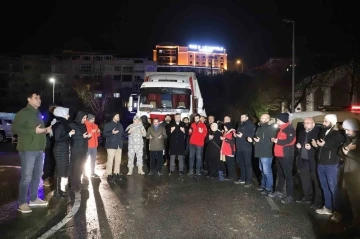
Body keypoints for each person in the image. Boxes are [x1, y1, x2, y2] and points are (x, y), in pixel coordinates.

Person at [12, 91, 51, 213]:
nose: (39, 100)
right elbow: (15, 129)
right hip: (28, 149)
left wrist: (45, 130)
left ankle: (34, 199)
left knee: (37, 176)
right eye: (36, 98)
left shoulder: (38, 113)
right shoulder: (23, 113)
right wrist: (33, 130)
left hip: (39, 149)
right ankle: (22, 203)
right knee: (26, 177)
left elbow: (37, 130)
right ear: (29, 99)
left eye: (39, 98)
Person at [311, 114, 345, 221]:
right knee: (324, 186)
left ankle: (337, 211)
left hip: (331, 164)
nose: (323, 123)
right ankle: (328, 207)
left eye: (325, 121)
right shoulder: (323, 132)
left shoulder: (338, 134)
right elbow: (323, 147)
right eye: (324, 121)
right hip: (321, 163)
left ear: (332, 122)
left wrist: (324, 145)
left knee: (333, 188)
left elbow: (337, 147)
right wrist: (317, 146)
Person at [295, 117, 323, 208]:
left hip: (314, 159)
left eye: (308, 123)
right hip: (303, 158)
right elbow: (299, 141)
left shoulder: (318, 132)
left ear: (313, 124)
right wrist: (298, 145)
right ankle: (307, 196)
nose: (305, 125)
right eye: (304, 123)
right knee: (304, 178)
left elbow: (321, 147)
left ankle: (317, 200)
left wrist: (312, 147)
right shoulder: (302, 132)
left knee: (316, 180)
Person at [269, 113, 296, 204]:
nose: (277, 121)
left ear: (283, 120)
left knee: (288, 175)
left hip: (286, 155)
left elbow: (291, 141)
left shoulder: (289, 128)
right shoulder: (281, 129)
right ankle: (279, 191)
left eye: (278, 120)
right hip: (279, 155)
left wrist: (278, 141)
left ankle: (290, 195)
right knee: (280, 174)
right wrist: (275, 140)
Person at [247, 114, 277, 194]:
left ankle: (269, 188)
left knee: (267, 171)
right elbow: (258, 138)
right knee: (262, 170)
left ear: (268, 119)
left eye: (264, 118)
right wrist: (253, 140)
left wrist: (259, 141)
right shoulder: (260, 127)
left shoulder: (270, 127)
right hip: (260, 151)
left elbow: (271, 140)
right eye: (261, 117)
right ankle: (263, 186)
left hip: (266, 152)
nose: (261, 119)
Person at [340, 118, 360, 227]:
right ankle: (351, 223)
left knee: (356, 202)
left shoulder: (358, 141)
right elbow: (341, 151)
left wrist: (348, 152)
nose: (346, 132)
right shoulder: (350, 139)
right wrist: (346, 149)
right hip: (348, 174)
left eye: (348, 130)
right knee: (349, 201)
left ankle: (356, 227)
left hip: (355, 176)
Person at [50, 107, 75, 197]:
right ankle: (57, 191)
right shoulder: (60, 124)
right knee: (60, 170)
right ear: (62, 114)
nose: (68, 115)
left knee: (59, 170)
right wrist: (69, 134)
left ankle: (58, 190)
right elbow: (57, 138)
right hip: (60, 150)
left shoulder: (63, 123)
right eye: (67, 113)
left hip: (63, 149)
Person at [68, 111, 91, 191]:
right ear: (79, 117)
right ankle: (73, 184)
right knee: (75, 167)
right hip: (76, 149)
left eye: (85, 118)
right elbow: (72, 137)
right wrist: (82, 136)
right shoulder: (72, 125)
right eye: (83, 118)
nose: (85, 120)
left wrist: (88, 136)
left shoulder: (83, 125)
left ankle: (78, 183)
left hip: (84, 149)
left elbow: (85, 135)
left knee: (81, 167)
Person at [234, 114, 256, 187]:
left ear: (247, 117)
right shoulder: (240, 125)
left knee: (247, 164)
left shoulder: (250, 125)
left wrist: (243, 136)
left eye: (243, 117)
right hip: (239, 147)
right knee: (241, 164)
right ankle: (242, 178)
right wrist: (236, 135)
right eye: (241, 117)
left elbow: (252, 134)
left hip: (246, 147)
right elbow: (240, 134)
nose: (241, 118)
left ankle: (249, 180)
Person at [103, 113, 124, 182]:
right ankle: (109, 174)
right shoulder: (108, 125)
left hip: (119, 145)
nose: (118, 117)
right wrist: (112, 133)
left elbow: (122, 134)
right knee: (110, 161)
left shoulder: (120, 125)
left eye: (118, 116)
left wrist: (128, 132)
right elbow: (104, 134)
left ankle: (116, 173)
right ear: (113, 117)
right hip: (111, 145)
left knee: (118, 161)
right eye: (116, 116)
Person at [42, 104, 57, 187]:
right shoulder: (48, 118)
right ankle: (46, 177)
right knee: (48, 161)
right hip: (49, 144)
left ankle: (52, 176)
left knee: (54, 161)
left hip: (56, 144)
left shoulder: (57, 118)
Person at [85, 114, 101, 178]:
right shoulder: (85, 125)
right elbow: (85, 135)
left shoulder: (95, 126)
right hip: (87, 146)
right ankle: (84, 173)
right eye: (92, 119)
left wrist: (98, 132)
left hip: (94, 146)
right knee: (85, 160)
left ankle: (92, 173)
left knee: (93, 160)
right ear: (88, 119)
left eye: (94, 119)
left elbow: (97, 135)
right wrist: (91, 132)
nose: (93, 120)